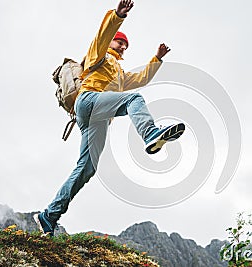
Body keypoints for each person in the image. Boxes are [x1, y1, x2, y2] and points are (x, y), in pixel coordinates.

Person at [34, 0, 185, 236]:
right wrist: (117, 16)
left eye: (126, 45)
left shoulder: (120, 74)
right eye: (120, 41)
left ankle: (49, 216)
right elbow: (102, 36)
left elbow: (142, 79)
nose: (123, 46)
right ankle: (151, 134)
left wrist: (156, 59)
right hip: (88, 101)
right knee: (133, 99)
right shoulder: (99, 55)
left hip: (97, 118)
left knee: (87, 168)